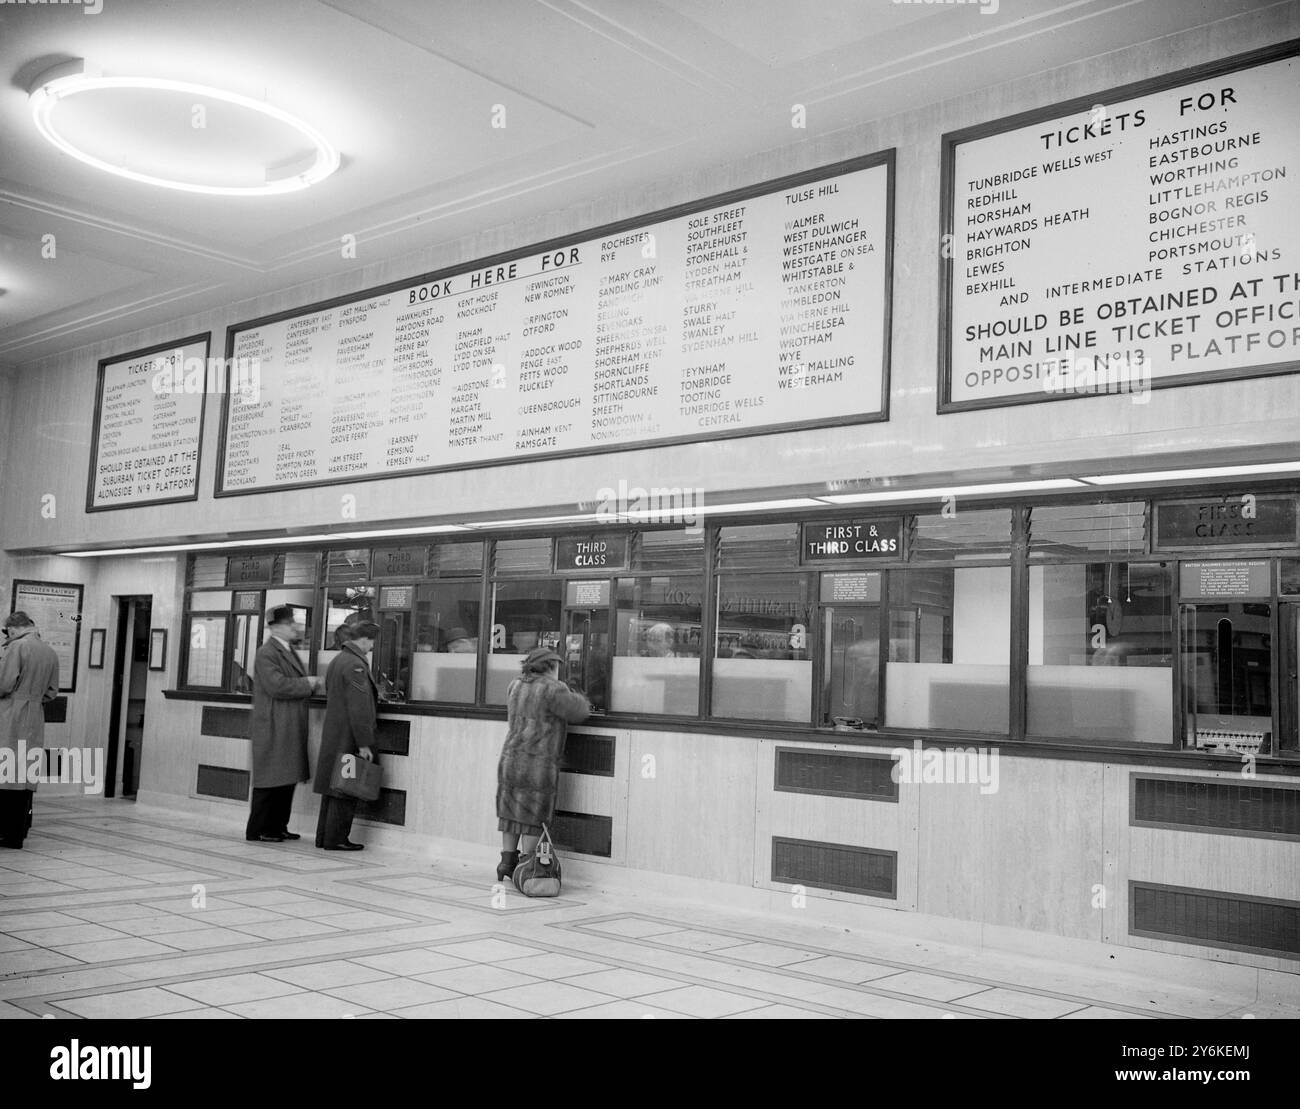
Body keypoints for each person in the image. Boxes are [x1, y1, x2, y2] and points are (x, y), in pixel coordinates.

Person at [495, 647, 591, 880]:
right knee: (532, 817)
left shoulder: (516, 684)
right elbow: (579, 711)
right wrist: (577, 692)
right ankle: (528, 867)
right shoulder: (552, 688)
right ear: (550, 666)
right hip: (536, 765)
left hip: (510, 757)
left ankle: (506, 863)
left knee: (510, 814)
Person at [245, 606, 321, 843]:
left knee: (286, 779)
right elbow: (276, 685)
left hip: (287, 724)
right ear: (276, 627)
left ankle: (278, 825)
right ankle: (259, 829)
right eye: (290, 624)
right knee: (270, 780)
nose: (294, 627)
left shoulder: (287, 650)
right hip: (274, 725)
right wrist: (307, 683)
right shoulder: (267, 653)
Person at [314, 621, 379, 851]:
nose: (372, 647)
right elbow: (358, 708)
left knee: (333, 789)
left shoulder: (338, 659)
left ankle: (324, 837)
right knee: (345, 788)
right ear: (364, 639)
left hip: (335, 733)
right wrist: (363, 744)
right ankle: (337, 839)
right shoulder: (355, 665)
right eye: (372, 641)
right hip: (348, 738)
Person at [0, 612, 59, 849]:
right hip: (35, 715)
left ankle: (3, 831)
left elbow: (4, 683)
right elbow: (52, 692)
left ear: (12, 629)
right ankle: (18, 831)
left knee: (5, 773)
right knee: (24, 774)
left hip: (10, 714)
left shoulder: (17, 647)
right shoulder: (49, 651)